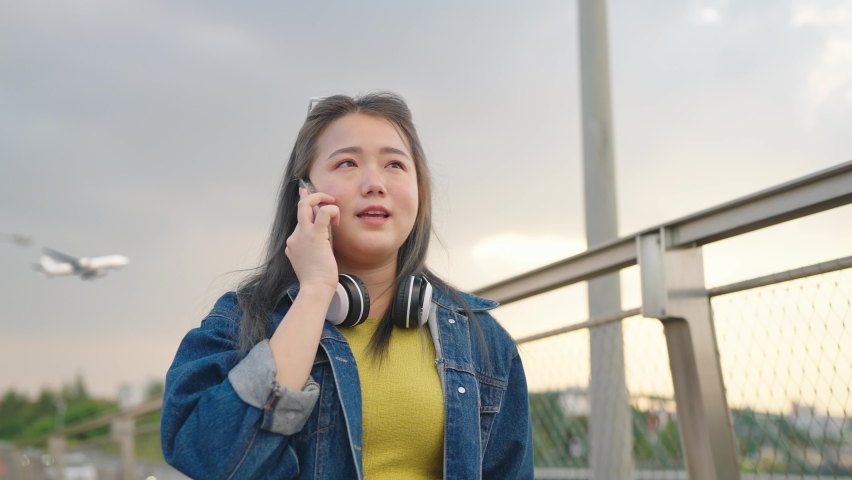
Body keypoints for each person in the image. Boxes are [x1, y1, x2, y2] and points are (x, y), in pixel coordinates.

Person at [160, 92, 533, 479]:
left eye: (394, 164)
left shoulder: (482, 339)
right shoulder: (242, 322)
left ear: (420, 191)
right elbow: (209, 458)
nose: (375, 184)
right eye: (347, 163)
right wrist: (314, 292)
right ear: (305, 193)